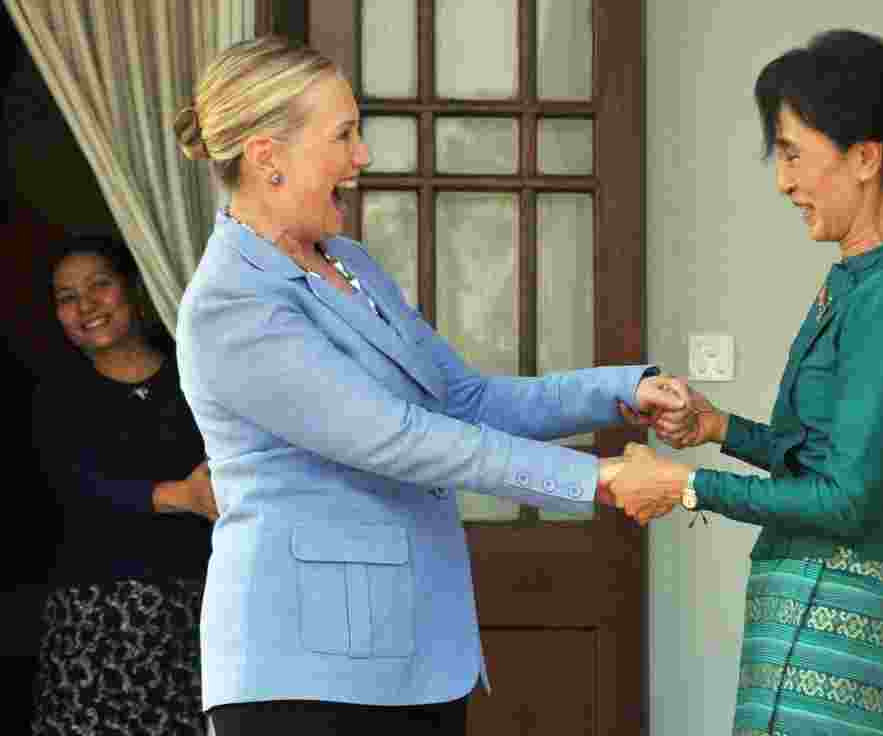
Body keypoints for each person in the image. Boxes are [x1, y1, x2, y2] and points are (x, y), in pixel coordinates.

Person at [172, 35, 683, 735]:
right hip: (304, 676)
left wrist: (623, 392)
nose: (363, 156)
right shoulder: (231, 305)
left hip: (414, 654)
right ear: (268, 158)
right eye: (344, 135)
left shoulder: (347, 263)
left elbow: (460, 402)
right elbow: (396, 437)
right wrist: (598, 478)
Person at [609, 28, 883, 736]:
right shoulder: (864, 279)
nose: (783, 181)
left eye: (794, 154)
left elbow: (846, 499)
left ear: (865, 157)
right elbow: (830, 459)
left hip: (839, 625)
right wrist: (718, 429)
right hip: (819, 618)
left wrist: (683, 486)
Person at [30, 235, 218, 735]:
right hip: (97, 620)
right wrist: (183, 496)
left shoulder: (197, 374)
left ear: (132, 288)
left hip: (197, 611)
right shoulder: (55, 393)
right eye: (67, 298)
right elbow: (78, 487)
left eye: (99, 286)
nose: (86, 305)